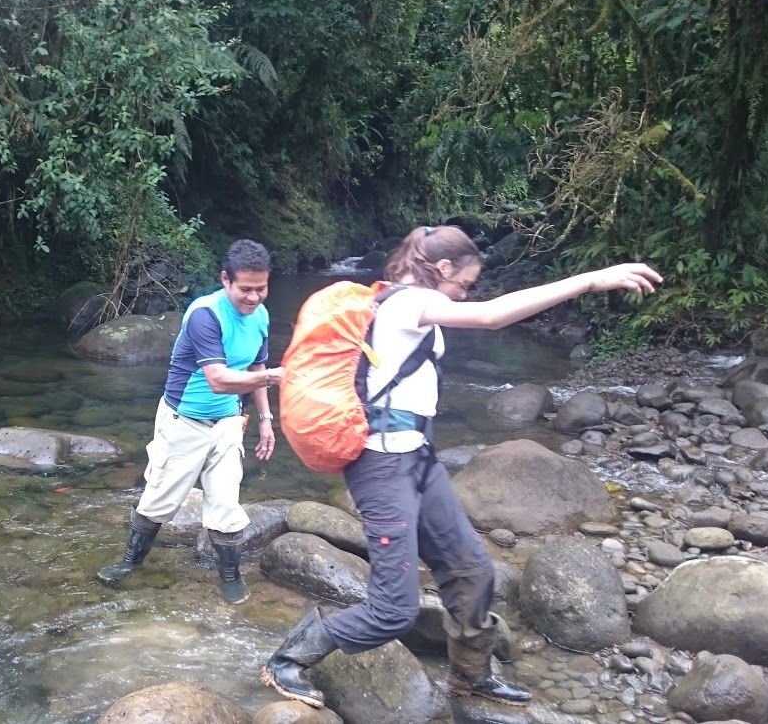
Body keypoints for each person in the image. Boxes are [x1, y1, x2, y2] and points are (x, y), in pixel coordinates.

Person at [260, 225, 662, 707]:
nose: (464, 295)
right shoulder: (406, 302)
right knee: (394, 609)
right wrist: (590, 280)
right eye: (464, 285)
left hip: (418, 458)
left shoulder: (412, 307)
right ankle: (287, 660)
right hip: (382, 464)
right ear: (443, 269)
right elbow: (492, 316)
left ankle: (470, 675)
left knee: (472, 571)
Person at [97, 239, 284, 605]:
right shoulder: (205, 314)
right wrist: (275, 378)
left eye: (261, 288)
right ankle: (129, 562)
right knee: (158, 500)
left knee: (226, 503)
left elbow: (257, 367)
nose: (254, 297)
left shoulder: (260, 316)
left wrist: (265, 419)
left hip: (228, 421)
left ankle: (229, 578)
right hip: (184, 422)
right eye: (245, 288)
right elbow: (218, 378)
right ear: (225, 280)